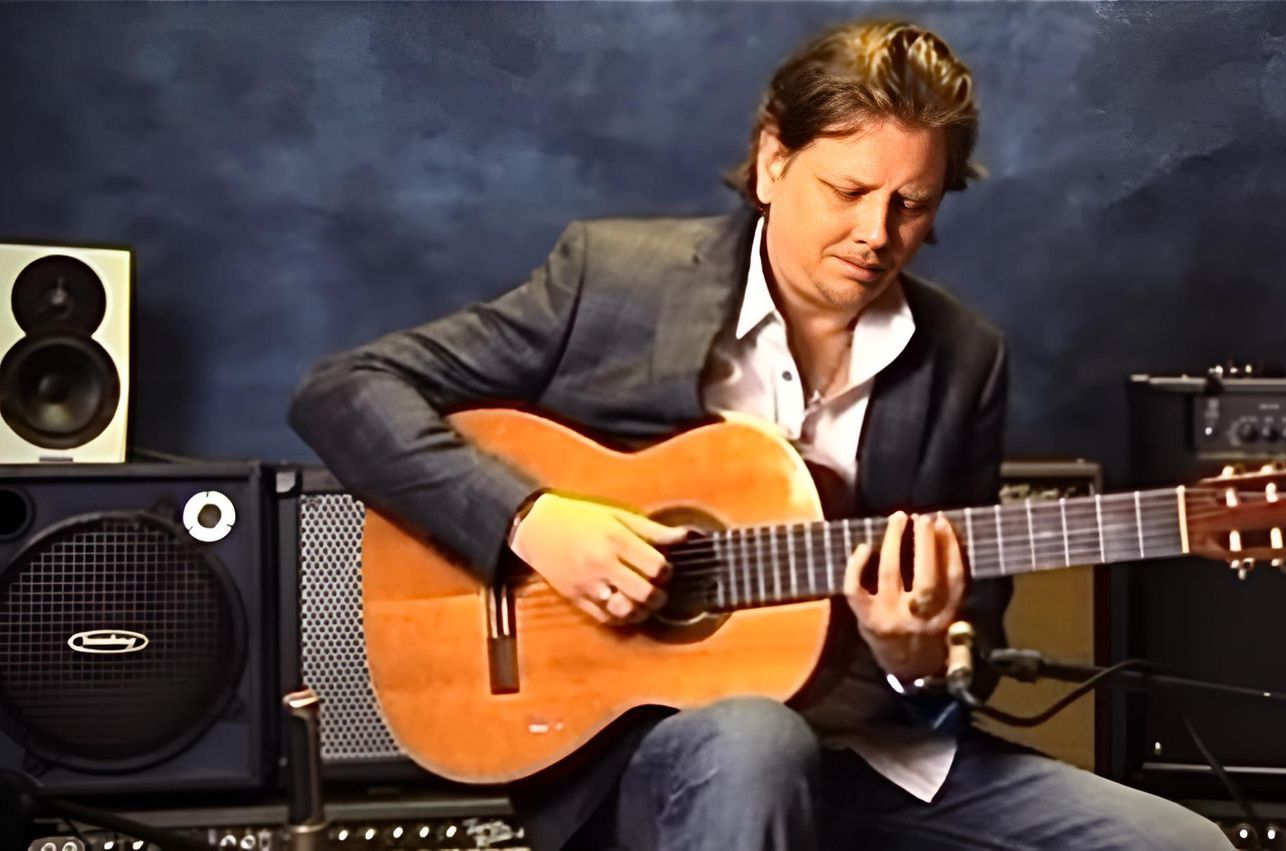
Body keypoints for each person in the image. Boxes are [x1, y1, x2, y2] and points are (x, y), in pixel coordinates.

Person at [290, 18, 1232, 851]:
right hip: (651, 757)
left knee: (1181, 842)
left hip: (877, 754)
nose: (877, 233)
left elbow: (965, 647)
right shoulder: (612, 281)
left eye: (912, 204)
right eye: (848, 190)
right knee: (755, 738)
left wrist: (916, 659)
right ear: (774, 159)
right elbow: (344, 391)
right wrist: (533, 521)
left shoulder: (964, 358)